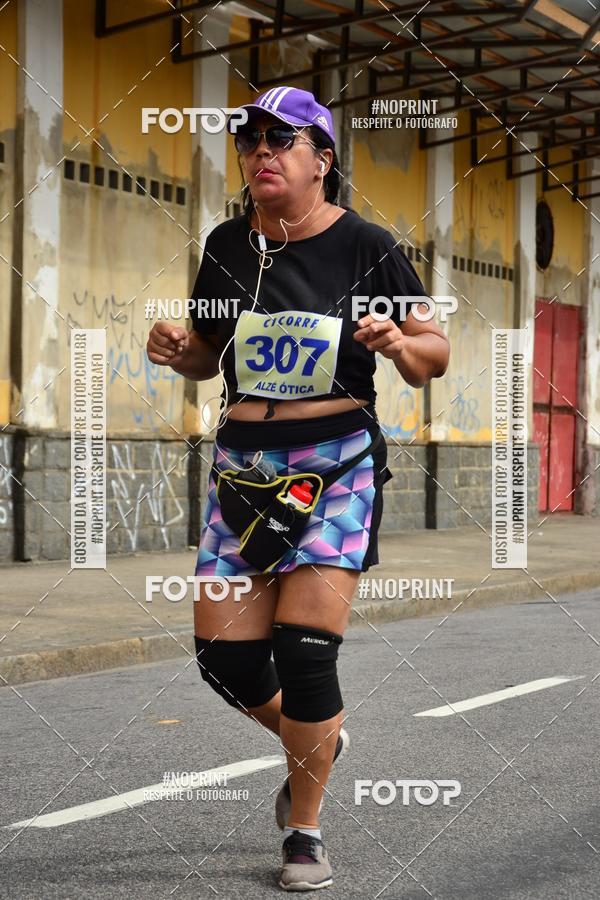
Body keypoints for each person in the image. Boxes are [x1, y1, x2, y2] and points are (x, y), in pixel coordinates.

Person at [146, 86, 450, 892]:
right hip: (242, 465)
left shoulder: (365, 245)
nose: (261, 152)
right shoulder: (226, 244)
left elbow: (435, 350)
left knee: (306, 654)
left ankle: (305, 831)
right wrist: (175, 347)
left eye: (282, 139)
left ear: (322, 160)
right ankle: (318, 739)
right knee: (224, 661)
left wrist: (397, 341)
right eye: (250, 140)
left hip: (335, 462)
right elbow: (206, 353)